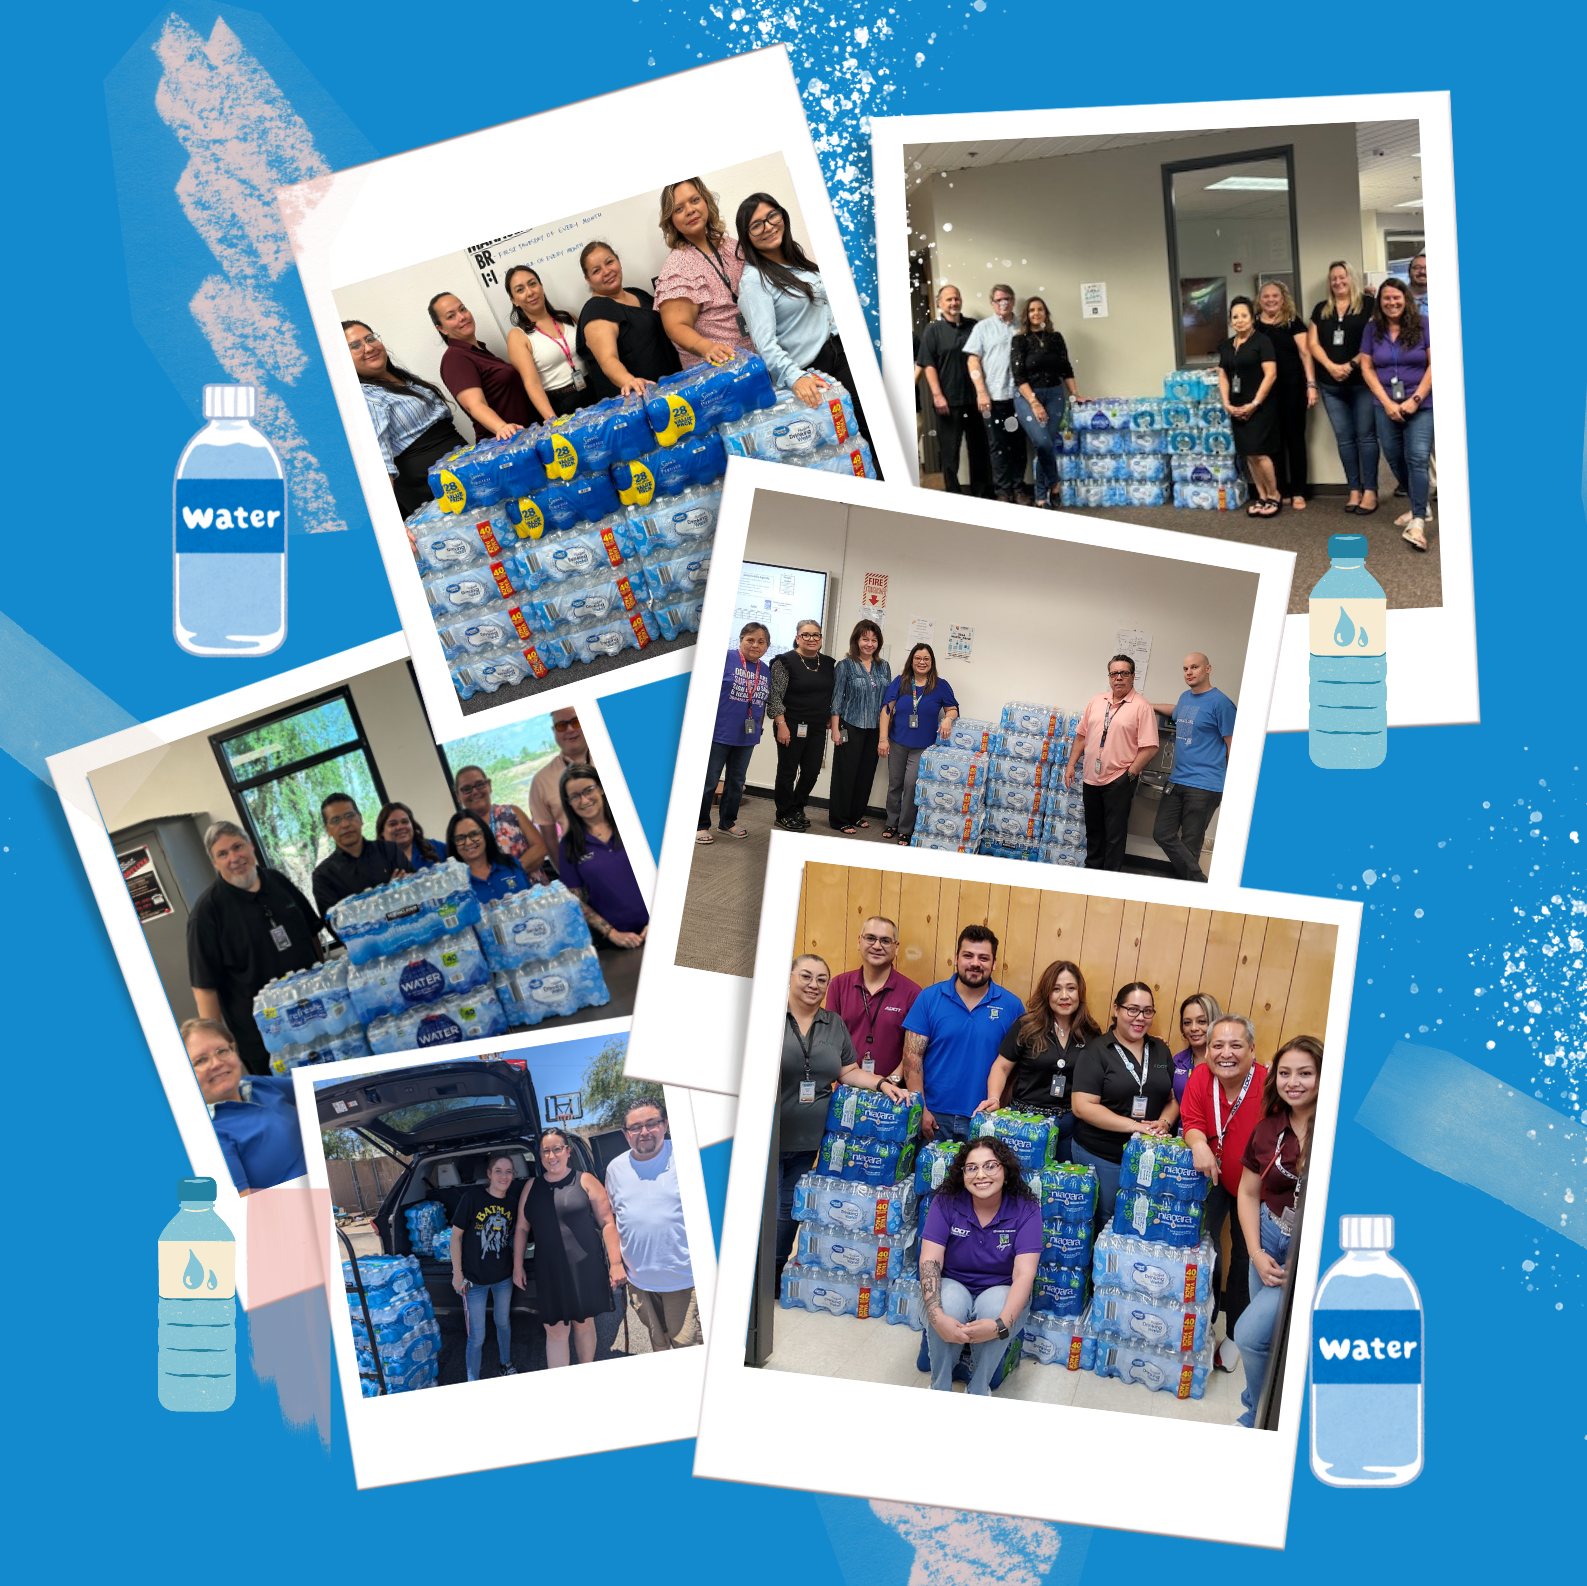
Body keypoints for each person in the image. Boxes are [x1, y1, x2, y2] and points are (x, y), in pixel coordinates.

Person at [778, 956, 908, 1267]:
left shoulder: (833, 1023)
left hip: (809, 1140)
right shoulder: (767, 1018)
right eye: (806, 976)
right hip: (769, 1136)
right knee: (762, 1207)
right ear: (789, 977)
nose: (814, 985)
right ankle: (749, 1277)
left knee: (787, 1207)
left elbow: (848, 1071)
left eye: (822, 980)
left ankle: (772, 1273)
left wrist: (881, 1084)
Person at [736, 192, 876, 453]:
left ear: (782, 216)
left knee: (873, 431)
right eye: (756, 225)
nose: (768, 226)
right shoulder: (754, 280)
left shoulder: (799, 262)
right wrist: (794, 377)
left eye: (772, 216)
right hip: (815, 370)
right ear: (747, 237)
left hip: (842, 354)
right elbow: (764, 344)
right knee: (853, 442)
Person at [1233, 1035, 1323, 1427]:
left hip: (1304, 1251)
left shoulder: (1337, 1127)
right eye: (1285, 1073)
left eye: (1305, 1073)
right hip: (1268, 1240)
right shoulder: (1268, 1128)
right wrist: (1254, 1251)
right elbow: (1248, 1192)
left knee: (1250, 1336)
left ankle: (1257, 1415)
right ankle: (1265, 1412)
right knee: (1266, 1342)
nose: (1294, 1082)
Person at [187, 821, 323, 1076]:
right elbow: (204, 988)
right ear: (214, 863)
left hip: (317, 1017)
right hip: (266, 1043)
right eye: (222, 854)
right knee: (293, 1109)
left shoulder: (277, 880)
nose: (234, 858)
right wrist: (220, 1050)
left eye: (237, 847)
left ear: (250, 845)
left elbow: (312, 932)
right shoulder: (207, 913)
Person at [918, 1136, 1040, 1395]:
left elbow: (1023, 1275)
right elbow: (930, 1262)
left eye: (991, 1166)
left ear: (1005, 1172)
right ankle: (939, 1387)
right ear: (962, 1174)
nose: (981, 1174)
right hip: (954, 1284)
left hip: (1000, 1288)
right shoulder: (946, 1201)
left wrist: (1000, 1326)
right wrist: (937, 1317)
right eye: (971, 1168)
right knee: (947, 1301)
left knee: (997, 1306)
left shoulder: (1026, 1208)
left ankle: (978, 1389)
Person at [1180, 1013, 1269, 1366]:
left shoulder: (1269, 1082)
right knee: (1206, 1247)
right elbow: (1192, 1121)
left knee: (1247, 1256)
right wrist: (1197, 1142)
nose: (1225, 1053)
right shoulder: (1201, 1076)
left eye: (1236, 1045)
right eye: (1217, 1045)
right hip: (1213, 1177)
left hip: (1257, 1187)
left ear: (1252, 1050)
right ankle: (1203, 1319)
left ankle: (1236, 1333)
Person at [1069, 982, 1178, 1228]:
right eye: (1133, 1009)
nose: (1140, 1018)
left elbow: (1172, 1099)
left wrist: (1164, 1122)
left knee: (1140, 1221)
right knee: (1107, 1221)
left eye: (1148, 1011)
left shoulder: (1160, 1049)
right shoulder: (1096, 1051)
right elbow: (1082, 1106)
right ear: (1117, 1009)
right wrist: (1134, 1126)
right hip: (1103, 1154)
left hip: (1149, 1157)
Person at [900, 925, 1022, 1143]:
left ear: (994, 963)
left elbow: (1016, 1065)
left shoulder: (1012, 1006)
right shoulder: (929, 998)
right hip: (934, 1117)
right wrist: (921, 1109)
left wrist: (1001, 1108)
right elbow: (912, 1057)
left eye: (983, 958)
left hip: (985, 1117)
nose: (975, 963)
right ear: (956, 958)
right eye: (968, 955)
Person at [512, 1128, 619, 1367]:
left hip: (585, 1267)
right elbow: (521, 1228)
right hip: (549, 1269)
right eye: (545, 1151)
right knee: (555, 1331)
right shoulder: (531, 1186)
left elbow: (607, 1223)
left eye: (557, 1149)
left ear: (568, 1151)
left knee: (584, 1324)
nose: (552, 1156)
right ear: (540, 1156)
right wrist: (517, 1265)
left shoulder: (585, 1180)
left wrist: (616, 1263)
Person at [977, 959, 1101, 1164]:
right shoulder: (1026, 1026)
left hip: (1069, 1127)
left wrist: (1147, 1043)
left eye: (1071, 988)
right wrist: (995, 1098)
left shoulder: (1090, 1032)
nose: (1064, 996)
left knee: (1057, 1189)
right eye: (1056, 989)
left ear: (1080, 993)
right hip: (1024, 1124)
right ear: (1046, 993)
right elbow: (1001, 1066)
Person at [342, 321, 467, 519]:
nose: (368, 348)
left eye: (370, 338)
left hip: (458, 468)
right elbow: (380, 463)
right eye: (355, 346)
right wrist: (390, 522)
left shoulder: (401, 377)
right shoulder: (366, 398)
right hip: (429, 488)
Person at [605, 1098, 700, 1350]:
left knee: (689, 1346)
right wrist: (615, 1264)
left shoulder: (689, 1157)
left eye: (652, 1123)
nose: (643, 1132)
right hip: (640, 1282)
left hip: (684, 1279)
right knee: (658, 1343)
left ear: (665, 1124)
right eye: (635, 1127)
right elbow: (612, 1221)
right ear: (626, 1134)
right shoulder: (615, 1169)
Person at [184, 1017, 307, 1193]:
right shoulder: (212, 1137)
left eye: (222, 1051)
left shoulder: (254, 1084)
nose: (217, 1063)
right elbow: (246, 1213)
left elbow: (312, 1088)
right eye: (201, 1060)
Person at [1359, 278, 1434, 552]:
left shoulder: (1423, 324)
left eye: (1397, 298)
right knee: (1393, 456)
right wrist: (1386, 402)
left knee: (1417, 456)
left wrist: (1415, 399)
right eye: (1386, 299)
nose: (1392, 303)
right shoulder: (1372, 329)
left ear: (1406, 299)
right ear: (1380, 302)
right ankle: (1421, 504)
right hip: (1385, 404)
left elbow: (1435, 364)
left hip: (1421, 403)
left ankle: (1417, 520)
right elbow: (1366, 368)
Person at [1065, 655, 1159, 872]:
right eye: (1114, 673)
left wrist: (1130, 775)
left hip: (1119, 779)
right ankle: (1092, 871)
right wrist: (1071, 765)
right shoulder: (1097, 701)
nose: (1119, 678)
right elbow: (1081, 736)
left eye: (1124, 673)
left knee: (1115, 834)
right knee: (1094, 829)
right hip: (1091, 777)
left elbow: (1151, 747)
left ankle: (1110, 878)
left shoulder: (1142, 707)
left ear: (1133, 676)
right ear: (1109, 677)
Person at [1150, 652, 1237, 883]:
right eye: (1185, 668)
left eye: (1194, 667)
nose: (1189, 672)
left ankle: (1190, 894)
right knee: (1162, 833)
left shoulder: (1221, 703)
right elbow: (1177, 711)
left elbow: (1234, 746)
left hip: (1205, 785)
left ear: (1207, 669)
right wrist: (1148, 706)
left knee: (1191, 844)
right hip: (1178, 780)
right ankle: (1199, 883)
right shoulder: (1185, 698)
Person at [654, 177, 752, 369]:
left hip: (755, 361)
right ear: (671, 220)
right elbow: (676, 327)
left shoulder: (728, 244)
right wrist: (706, 347)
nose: (690, 210)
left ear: (706, 201)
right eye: (679, 209)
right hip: (720, 371)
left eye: (695, 200)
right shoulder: (677, 265)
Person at [1308, 261, 1380, 516]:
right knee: (1345, 440)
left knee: (1366, 437)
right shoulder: (1321, 309)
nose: (1338, 282)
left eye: (1342, 277)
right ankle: (1354, 490)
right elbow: (1313, 344)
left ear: (1351, 278)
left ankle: (1370, 490)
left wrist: (1350, 365)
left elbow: (1373, 340)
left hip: (1362, 383)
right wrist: (1331, 366)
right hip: (1331, 386)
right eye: (1333, 279)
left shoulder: (1369, 304)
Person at [575, 240, 681, 400]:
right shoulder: (597, 309)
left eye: (609, 262)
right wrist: (629, 381)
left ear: (618, 262)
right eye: (596, 270)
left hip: (670, 392)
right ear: (588, 279)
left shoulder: (637, 293)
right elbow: (607, 359)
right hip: (640, 401)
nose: (606, 271)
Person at [558, 763, 647, 948]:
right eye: (575, 796)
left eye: (588, 790)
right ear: (568, 802)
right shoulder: (569, 845)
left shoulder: (633, 821)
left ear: (601, 788)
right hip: (616, 942)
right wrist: (612, 934)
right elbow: (576, 901)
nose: (584, 800)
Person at [698, 622, 772, 844]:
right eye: (750, 640)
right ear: (740, 641)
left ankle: (727, 822)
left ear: (767, 646)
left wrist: (758, 726)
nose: (755, 645)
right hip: (718, 732)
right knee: (710, 781)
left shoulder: (765, 669)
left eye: (761, 642)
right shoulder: (726, 658)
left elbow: (762, 701)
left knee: (736, 781)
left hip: (747, 736)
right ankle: (700, 825)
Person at [914, 283, 991, 497]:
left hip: (975, 400)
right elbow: (928, 365)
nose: (953, 302)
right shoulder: (933, 330)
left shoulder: (974, 326)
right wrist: (938, 396)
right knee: (950, 453)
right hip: (948, 402)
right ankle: (953, 494)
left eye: (956, 298)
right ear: (940, 303)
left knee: (979, 450)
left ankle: (982, 493)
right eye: (948, 299)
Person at [878, 642, 959, 844]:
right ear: (911, 661)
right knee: (895, 783)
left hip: (923, 746)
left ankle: (906, 828)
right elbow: (886, 709)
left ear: (932, 662)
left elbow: (953, 708)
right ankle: (891, 822)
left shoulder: (941, 686)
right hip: (897, 741)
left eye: (926, 659)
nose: (921, 662)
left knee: (911, 785)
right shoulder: (900, 681)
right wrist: (883, 738)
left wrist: (948, 718)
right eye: (918, 658)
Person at [450, 1152, 520, 1381]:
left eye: (509, 1171)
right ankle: (473, 1379)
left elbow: (518, 1234)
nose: (504, 1176)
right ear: (489, 1174)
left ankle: (505, 1363)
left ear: (513, 1176)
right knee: (476, 1336)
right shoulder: (471, 1198)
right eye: (498, 1171)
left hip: (503, 1278)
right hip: (473, 1281)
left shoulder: (512, 1203)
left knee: (503, 1322)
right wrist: (457, 1273)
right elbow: (455, 1237)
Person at [824, 916, 922, 1078]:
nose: (877, 946)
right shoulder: (838, 985)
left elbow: (913, 1051)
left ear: (896, 947)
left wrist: (891, 1082)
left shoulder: (913, 993)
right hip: (847, 1090)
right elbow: (831, 1042)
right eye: (870, 938)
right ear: (859, 941)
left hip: (892, 1094)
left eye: (885, 941)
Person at [1011, 296, 1085, 509]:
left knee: (1046, 445)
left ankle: (1041, 496)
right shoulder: (1020, 340)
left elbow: (1066, 369)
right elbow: (1018, 376)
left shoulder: (1056, 338)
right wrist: (1034, 403)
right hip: (1027, 397)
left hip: (1054, 395)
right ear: (1027, 315)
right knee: (1042, 443)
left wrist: (1075, 393)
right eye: (1032, 310)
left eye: (1040, 309)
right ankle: (1054, 483)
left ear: (1045, 313)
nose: (1036, 313)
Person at [428, 292, 531, 440]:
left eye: (462, 309)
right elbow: (474, 405)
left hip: (524, 435)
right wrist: (502, 428)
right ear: (442, 329)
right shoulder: (455, 358)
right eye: (451, 316)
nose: (462, 317)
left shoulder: (478, 351)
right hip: (507, 443)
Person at [765, 619, 836, 833]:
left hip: (816, 727)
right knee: (787, 771)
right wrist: (781, 725)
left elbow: (829, 695)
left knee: (811, 771)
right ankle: (783, 814)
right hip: (789, 724)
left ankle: (798, 808)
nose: (812, 638)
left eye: (816, 635)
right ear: (798, 637)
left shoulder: (828, 663)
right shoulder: (784, 662)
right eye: (806, 635)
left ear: (821, 638)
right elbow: (775, 697)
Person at [964, 284, 1029, 505]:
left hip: (1020, 397)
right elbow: (972, 360)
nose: (1003, 303)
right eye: (998, 300)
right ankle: (1003, 491)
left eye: (1007, 299)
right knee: (998, 446)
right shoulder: (982, 328)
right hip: (994, 398)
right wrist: (981, 392)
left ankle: (1019, 488)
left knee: (1019, 445)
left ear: (1013, 301)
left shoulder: (1024, 326)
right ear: (992, 303)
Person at [503, 265, 594, 421]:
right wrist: (552, 419)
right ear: (514, 301)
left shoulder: (569, 317)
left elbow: (589, 357)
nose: (530, 292)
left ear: (541, 287)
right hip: (559, 404)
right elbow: (532, 383)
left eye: (532, 284)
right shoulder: (518, 336)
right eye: (520, 290)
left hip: (592, 391)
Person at [1217, 296, 1280, 518]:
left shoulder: (1262, 341)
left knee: (1260, 453)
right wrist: (1226, 403)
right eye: (1235, 316)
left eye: (1244, 315)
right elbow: (1223, 374)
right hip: (1236, 407)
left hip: (1258, 407)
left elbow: (1271, 375)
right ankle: (1261, 496)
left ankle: (1274, 495)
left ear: (1252, 317)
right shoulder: (1226, 346)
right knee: (1248, 454)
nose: (1240, 320)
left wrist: (1254, 403)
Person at [827, 619, 893, 833]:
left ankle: (856, 815)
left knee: (865, 774)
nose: (869, 644)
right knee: (845, 774)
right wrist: (835, 729)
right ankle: (839, 819)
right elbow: (836, 700)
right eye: (865, 639)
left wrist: (886, 733)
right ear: (856, 640)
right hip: (850, 726)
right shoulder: (845, 665)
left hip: (875, 729)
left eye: (874, 640)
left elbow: (887, 702)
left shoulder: (884, 667)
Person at [1255, 282, 1316, 511]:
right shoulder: (1254, 324)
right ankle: (1280, 490)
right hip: (1265, 392)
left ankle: (1299, 490)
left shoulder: (1293, 322)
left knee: (1295, 440)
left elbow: (1305, 353)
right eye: (1266, 296)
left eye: (1275, 296)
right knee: (1274, 443)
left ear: (1283, 298)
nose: (1271, 300)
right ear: (1259, 299)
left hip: (1293, 388)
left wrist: (1311, 385)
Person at [311, 793, 410, 922]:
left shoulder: (390, 850)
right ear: (327, 829)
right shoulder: (323, 875)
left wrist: (355, 911)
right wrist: (389, 895)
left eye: (349, 816)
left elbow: (414, 893)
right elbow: (337, 925)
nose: (345, 824)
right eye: (336, 820)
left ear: (360, 819)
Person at [454, 763, 554, 884]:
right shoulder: (459, 831)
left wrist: (510, 876)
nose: (474, 791)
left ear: (489, 785)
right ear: (457, 796)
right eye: (466, 789)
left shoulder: (512, 812)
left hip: (537, 893)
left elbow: (540, 848)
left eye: (479, 784)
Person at [529, 708, 591, 857]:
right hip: (587, 867)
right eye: (562, 725)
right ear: (554, 730)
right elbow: (551, 843)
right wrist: (571, 879)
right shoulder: (541, 781)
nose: (570, 729)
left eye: (576, 722)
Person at [446, 811, 531, 905]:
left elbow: (532, 901)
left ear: (485, 834)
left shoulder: (511, 863)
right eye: (460, 839)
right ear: (454, 844)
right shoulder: (454, 885)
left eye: (474, 834)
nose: (469, 842)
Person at [1171, 992, 1223, 1107]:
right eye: (1187, 1023)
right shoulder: (1178, 1060)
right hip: (1181, 1125)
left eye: (1202, 1021)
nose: (1193, 1028)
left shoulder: (1230, 1060)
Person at [374, 802, 441, 871]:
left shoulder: (433, 847)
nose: (400, 827)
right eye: (393, 824)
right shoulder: (375, 865)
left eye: (405, 822)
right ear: (382, 831)